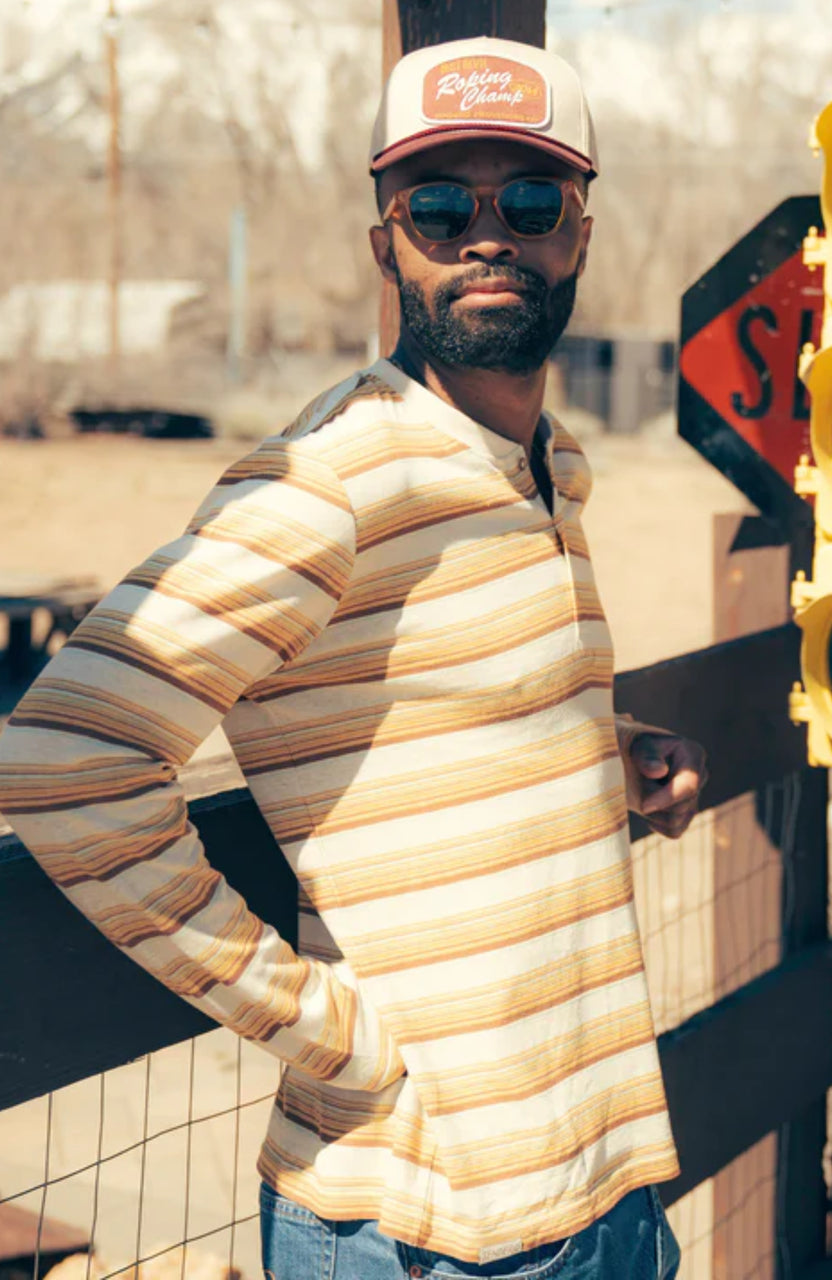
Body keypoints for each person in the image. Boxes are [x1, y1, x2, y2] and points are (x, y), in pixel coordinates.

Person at [0, 36, 706, 1280]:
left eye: (527, 200)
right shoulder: (336, 476)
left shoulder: (548, 463)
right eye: (439, 206)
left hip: (603, 1179)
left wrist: (603, 747)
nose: (485, 234)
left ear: (580, 231)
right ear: (387, 244)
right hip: (435, 1224)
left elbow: (427, 698)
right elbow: (64, 755)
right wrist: (323, 1030)